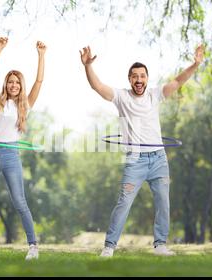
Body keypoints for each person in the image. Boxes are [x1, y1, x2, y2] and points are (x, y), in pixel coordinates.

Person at [79, 44, 205, 257]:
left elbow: (178, 81)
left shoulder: (155, 95)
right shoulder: (121, 97)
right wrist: (88, 66)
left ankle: (160, 245)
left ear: (147, 78)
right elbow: (97, 86)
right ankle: (109, 246)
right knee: (124, 202)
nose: (139, 80)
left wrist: (195, 64)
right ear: (129, 79)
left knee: (163, 203)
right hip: (135, 159)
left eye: (142, 76)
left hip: (158, 159)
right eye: (135, 76)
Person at [0, 37, 46, 260]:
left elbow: (39, 82)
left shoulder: (25, 105)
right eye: (10, 81)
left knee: (19, 201)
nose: (13, 85)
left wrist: (41, 55)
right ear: (6, 84)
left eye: (17, 82)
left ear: (20, 85)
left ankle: (33, 246)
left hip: (10, 155)